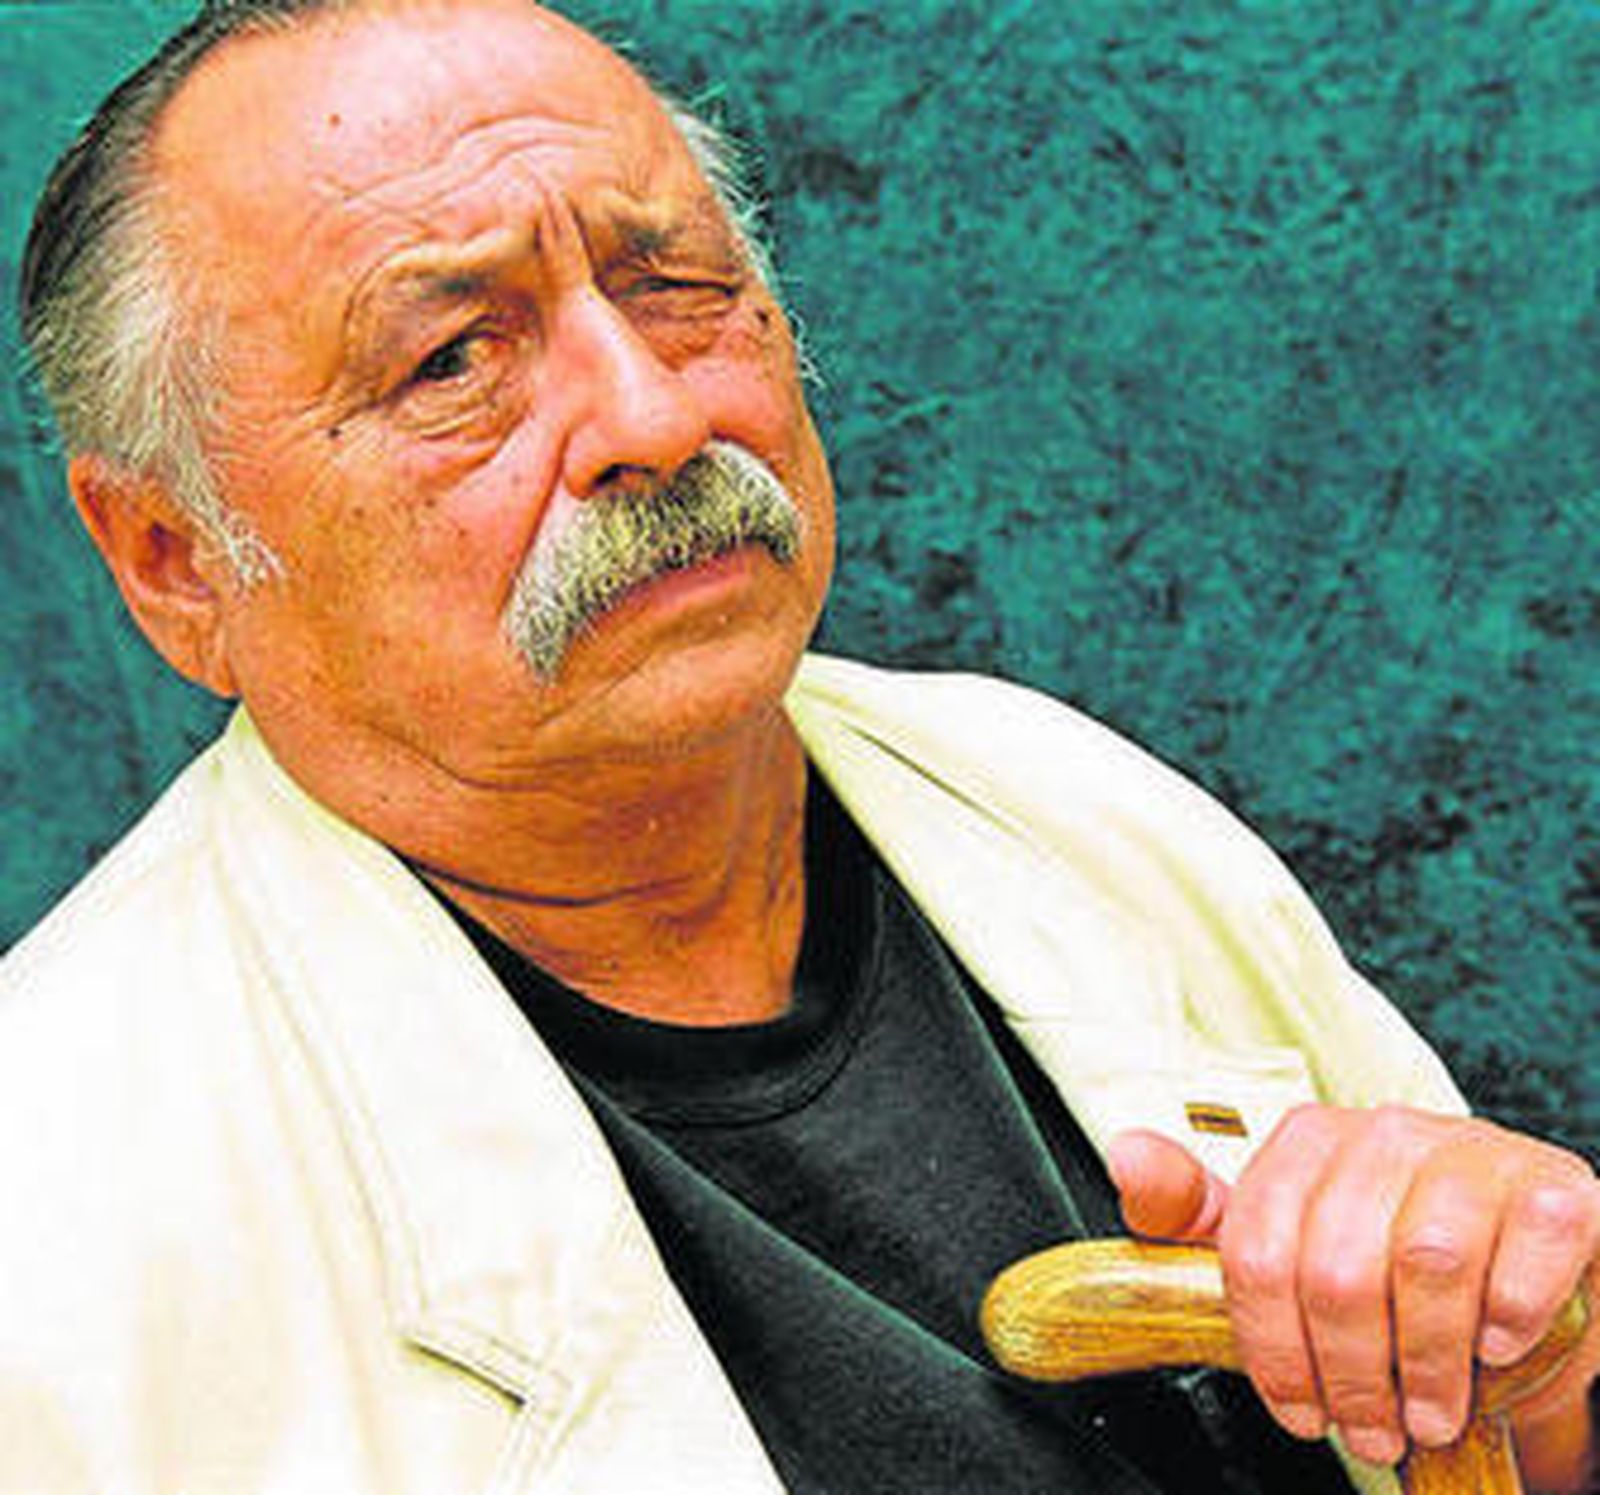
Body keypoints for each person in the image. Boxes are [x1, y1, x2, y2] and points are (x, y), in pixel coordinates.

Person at [6, 1, 1597, 1491]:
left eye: (671, 286)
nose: (651, 420)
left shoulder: (1067, 802)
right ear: (173, 559)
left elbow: (1516, 1435)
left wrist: (1536, 1373)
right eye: (452, 361)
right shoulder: (58, 1215)